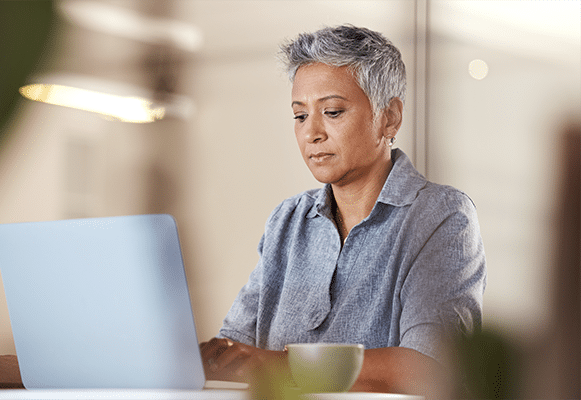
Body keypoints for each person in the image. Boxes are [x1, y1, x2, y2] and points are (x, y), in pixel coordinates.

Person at [200, 24, 486, 396]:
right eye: (300, 116)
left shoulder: (442, 216)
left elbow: (429, 365)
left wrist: (277, 364)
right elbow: (237, 348)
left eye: (332, 111)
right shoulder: (288, 221)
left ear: (389, 118)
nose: (311, 133)